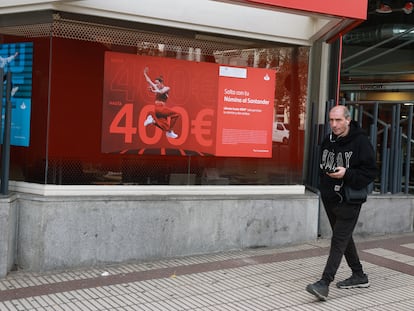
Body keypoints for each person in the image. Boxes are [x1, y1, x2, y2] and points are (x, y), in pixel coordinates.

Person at [306, 105, 377, 301]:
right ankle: (359, 275)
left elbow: (371, 172)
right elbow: (322, 164)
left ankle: (324, 283)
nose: (334, 125)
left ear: (347, 120)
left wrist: (347, 173)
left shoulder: (361, 141)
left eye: (338, 120)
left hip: (349, 199)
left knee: (338, 240)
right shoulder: (328, 140)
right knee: (344, 238)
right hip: (331, 197)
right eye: (331, 120)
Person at [143, 67, 180, 139]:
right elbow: (149, 81)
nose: (156, 85)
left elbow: (162, 92)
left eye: (157, 83)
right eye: (155, 83)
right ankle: (170, 131)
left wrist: (153, 91)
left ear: (161, 83)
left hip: (159, 111)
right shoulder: (157, 87)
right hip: (159, 108)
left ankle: (153, 121)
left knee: (165, 127)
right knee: (176, 114)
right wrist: (144, 73)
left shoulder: (166, 88)